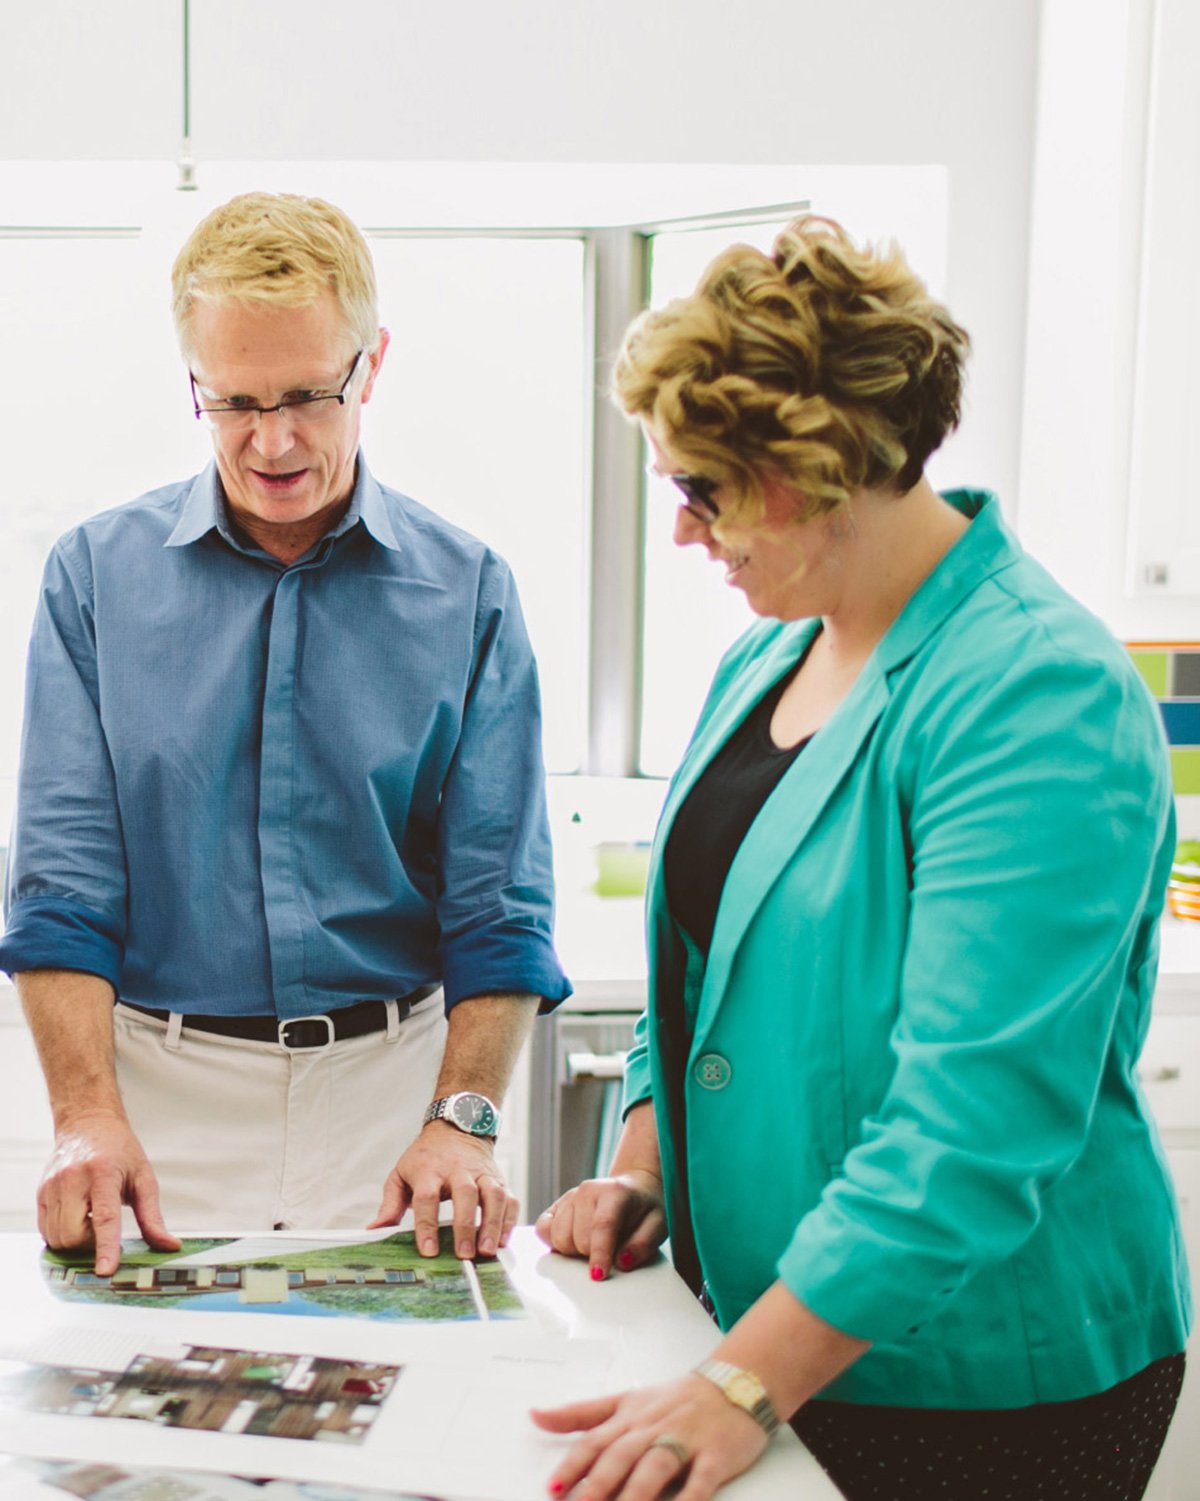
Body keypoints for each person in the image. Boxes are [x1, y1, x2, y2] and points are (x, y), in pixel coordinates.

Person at [531, 215, 1191, 1501]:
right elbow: (702, 970)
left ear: (813, 467)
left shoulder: (1036, 694)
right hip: (765, 1339)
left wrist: (736, 1380)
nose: (683, 533)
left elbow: (975, 1119)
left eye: (700, 491)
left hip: (978, 1380)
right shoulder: (767, 656)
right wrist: (644, 1164)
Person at [0, 191, 570, 1278]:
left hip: (400, 1105)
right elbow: (63, 890)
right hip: (158, 1105)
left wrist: (466, 1119)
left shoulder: (471, 591)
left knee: (416, 1423)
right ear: (193, 387)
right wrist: (84, 1118)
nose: (273, 440)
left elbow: (499, 905)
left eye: (309, 393)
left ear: (373, 363)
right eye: (234, 402)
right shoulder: (92, 578)